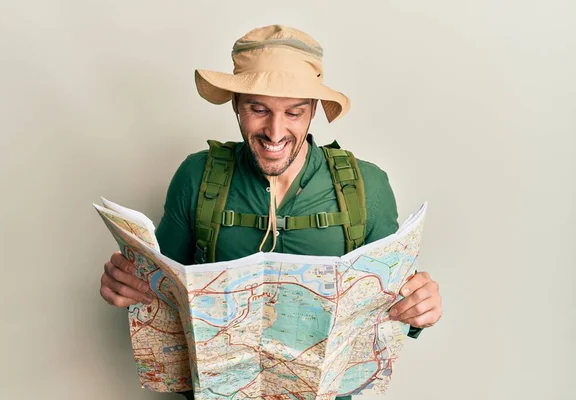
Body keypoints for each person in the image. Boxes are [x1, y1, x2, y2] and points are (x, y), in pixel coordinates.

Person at [99, 25, 442, 399]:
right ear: (236, 105)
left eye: (294, 112)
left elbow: (391, 308)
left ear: (313, 111)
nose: (275, 132)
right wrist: (128, 287)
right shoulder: (196, 177)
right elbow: (162, 296)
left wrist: (419, 308)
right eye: (258, 109)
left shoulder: (367, 186)